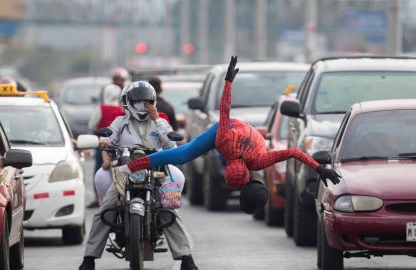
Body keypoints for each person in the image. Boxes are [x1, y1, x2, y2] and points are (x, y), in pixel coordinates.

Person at [117, 56, 341, 214]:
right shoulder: (237, 149)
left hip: (235, 134)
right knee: (180, 155)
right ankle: (131, 168)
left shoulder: (258, 161)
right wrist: (228, 81)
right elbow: (224, 110)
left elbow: (292, 152)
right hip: (231, 133)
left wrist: (319, 168)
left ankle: (132, 167)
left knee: (182, 155)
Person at [79, 81, 198, 270]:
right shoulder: (120, 122)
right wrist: (104, 145)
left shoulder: (160, 122)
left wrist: (157, 119)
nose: (143, 106)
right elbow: (109, 137)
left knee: (170, 209)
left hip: (156, 171)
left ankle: (187, 258)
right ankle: (89, 259)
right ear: (128, 102)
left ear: (153, 102)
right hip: (124, 172)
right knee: (105, 210)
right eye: (138, 102)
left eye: (147, 102)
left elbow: (171, 146)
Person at [88, 84, 125, 204]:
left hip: (102, 145)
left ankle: (97, 197)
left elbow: (91, 126)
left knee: (99, 171)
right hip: (116, 146)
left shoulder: (101, 109)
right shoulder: (120, 110)